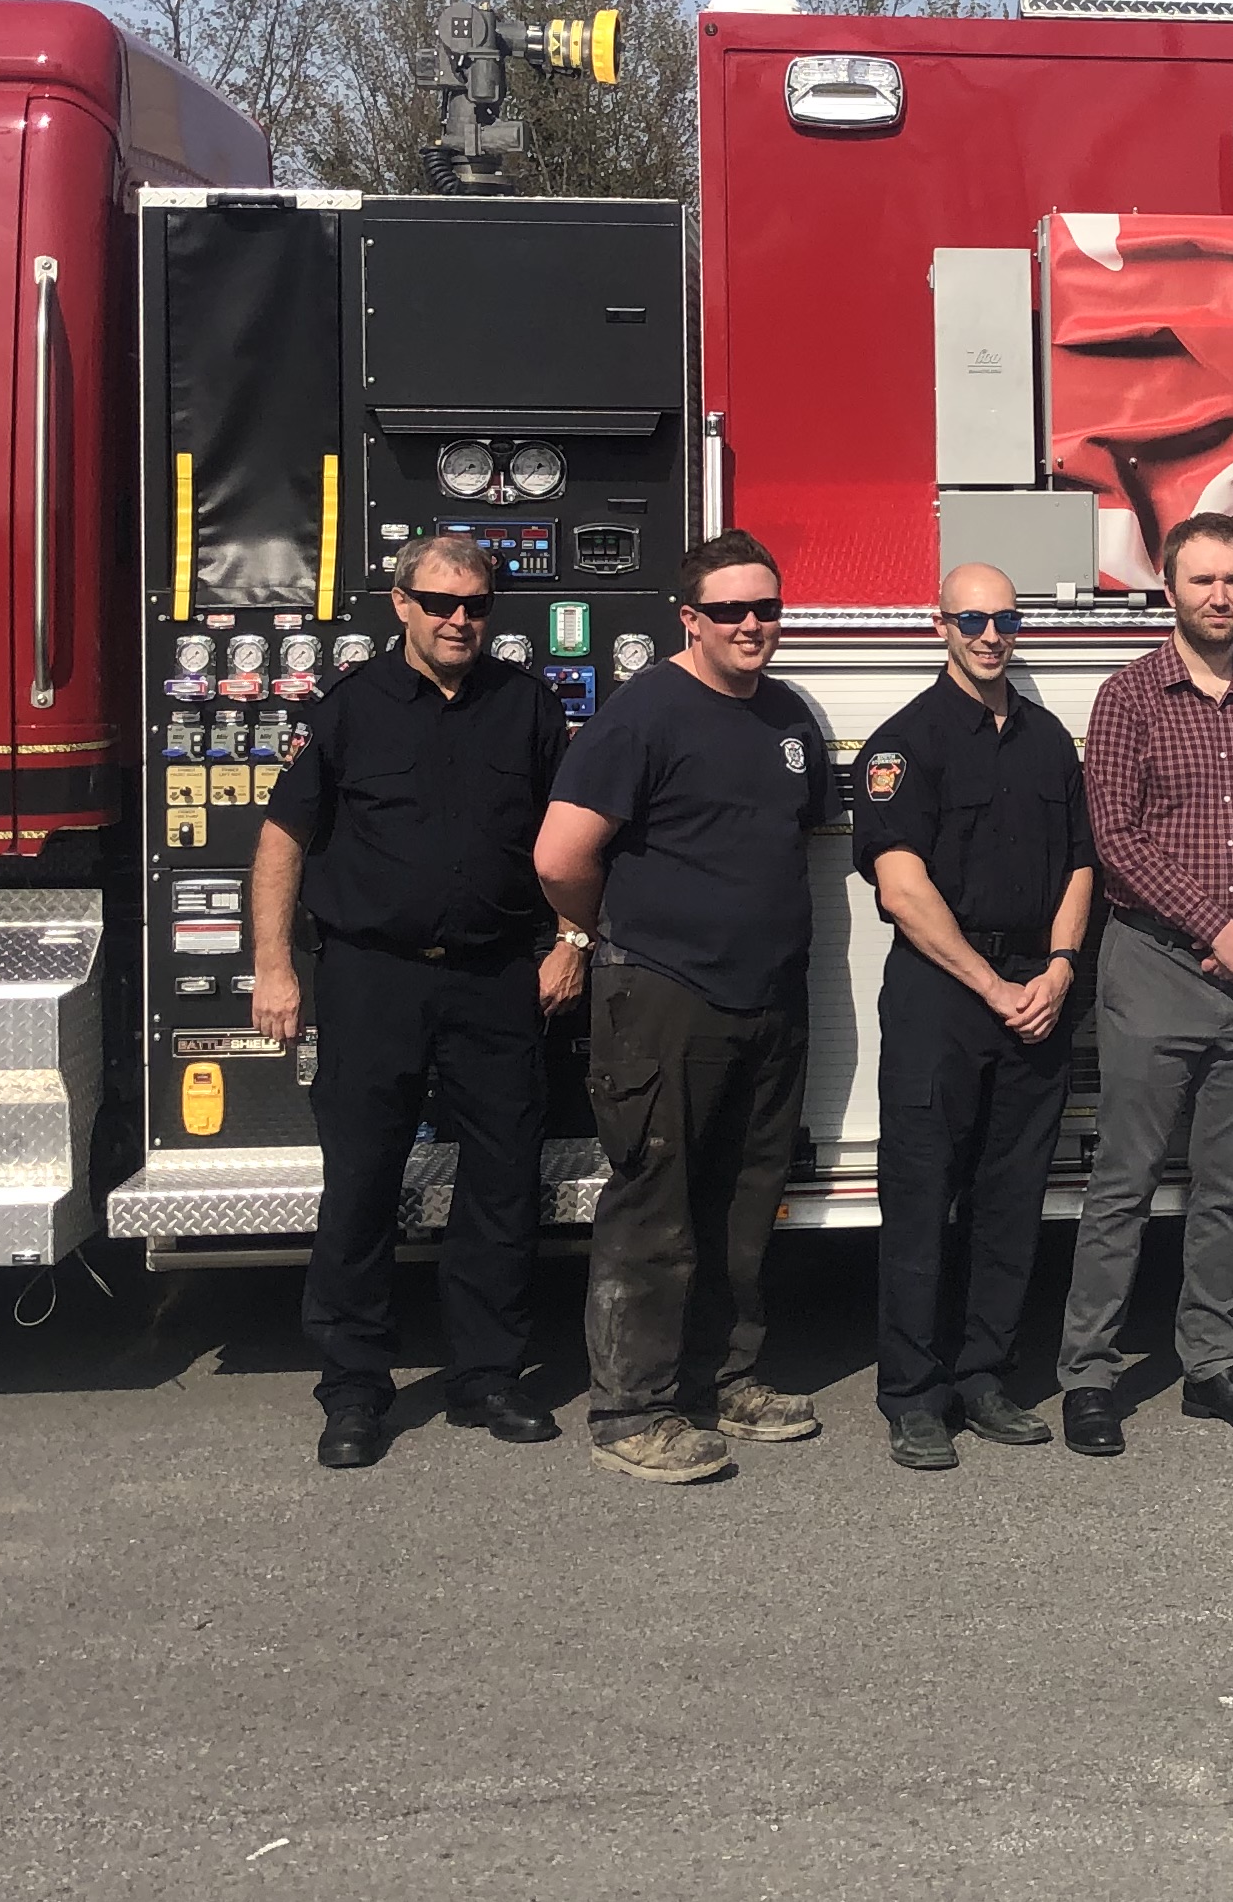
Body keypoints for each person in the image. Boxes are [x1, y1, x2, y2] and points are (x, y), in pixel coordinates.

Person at [251, 531, 585, 1472]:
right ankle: (354, 1387)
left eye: (474, 605)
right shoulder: (349, 710)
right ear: (400, 604)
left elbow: (570, 843)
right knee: (361, 1180)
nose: (457, 620)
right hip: (372, 977)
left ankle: (487, 1373)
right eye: (438, 602)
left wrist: (572, 940)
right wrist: (274, 968)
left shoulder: (526, 709)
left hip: (493, 978)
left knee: (502, 1180)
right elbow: (283, 840)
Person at [536, 530, 837, 1486]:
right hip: (663, 993)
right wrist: (592, 936)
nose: (754, 626)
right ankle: (633, 1410)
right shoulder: (643, 714)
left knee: (746, 1202)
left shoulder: (789, 717)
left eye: (767, 609)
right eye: (732, 612)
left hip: (768, 998)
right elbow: (558, 857)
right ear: (690, 618)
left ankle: (724, 1380)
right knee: (654, 1208)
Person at [1059, 513, 1233, 1454]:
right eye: (1202, 580)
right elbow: (1117, 839)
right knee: (1122, 1185)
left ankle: (1211, 1366)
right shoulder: (1129, 698)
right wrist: (1216, 926)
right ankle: (1089, 1376)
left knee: (1227, 1190)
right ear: (1168, 590)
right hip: (1152, 970)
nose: (1220, 596)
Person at [849, 562, 1095, 1472]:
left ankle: (986, 1376)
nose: (992, 635)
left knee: (1011, 1198)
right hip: (941, 996)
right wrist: (992, 989)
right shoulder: (902, 745)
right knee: (919, 1199)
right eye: (973, 619)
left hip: (1039, 985)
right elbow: (902, 889)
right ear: (940, 626)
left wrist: (1062, 966)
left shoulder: (1045, 741)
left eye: (1005, 619)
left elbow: (1081, 865)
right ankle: (912, 1395)